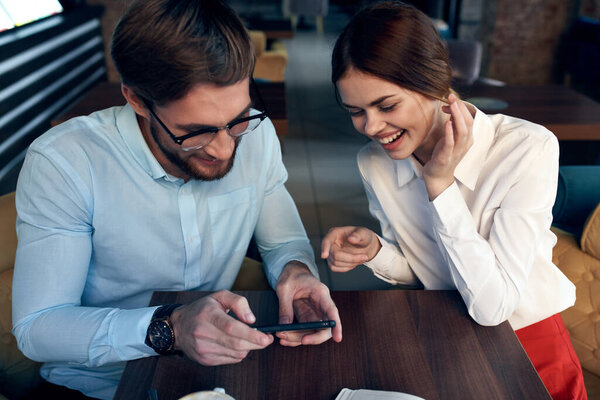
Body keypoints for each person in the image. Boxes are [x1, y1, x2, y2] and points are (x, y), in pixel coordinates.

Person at [12, 0, 342, 398]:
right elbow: (38, 327)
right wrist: (172, 328)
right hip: (100, 385)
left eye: (237, 119)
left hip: (221, 375)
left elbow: (283, 242)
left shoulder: (257, 137)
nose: (223, 150)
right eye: (195, 131)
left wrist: (297, 273)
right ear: (136, 101)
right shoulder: (66, 162)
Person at [321, 2, 586, 399]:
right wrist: (375, 251)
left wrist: (440, 186)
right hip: (443, 334)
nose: (371, 127)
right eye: (356, 112)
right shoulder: (374, 163)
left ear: (434, 84)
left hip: (528, 342)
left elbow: (494, 307)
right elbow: (426, 271)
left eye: (386, 105)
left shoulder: (526, 148)